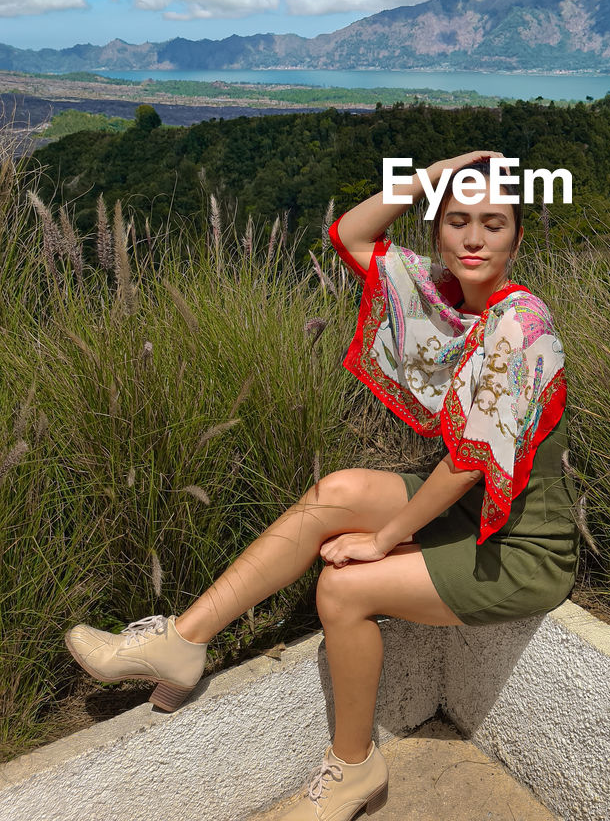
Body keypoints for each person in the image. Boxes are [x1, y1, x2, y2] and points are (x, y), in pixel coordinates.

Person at [64, 150, 580, 821]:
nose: (475, 239)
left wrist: (383, 541)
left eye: (494, 223)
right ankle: (182, 642)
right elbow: (350, 235)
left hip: (521, 545)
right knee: (333, 492)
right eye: (457, 221)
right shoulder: (444, 298)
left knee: (341, 588)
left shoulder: (521, 325)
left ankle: (354, 767)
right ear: (436, 232)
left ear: (518, 236)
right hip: (470, 512)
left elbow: (466, 464)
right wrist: (437, 169)